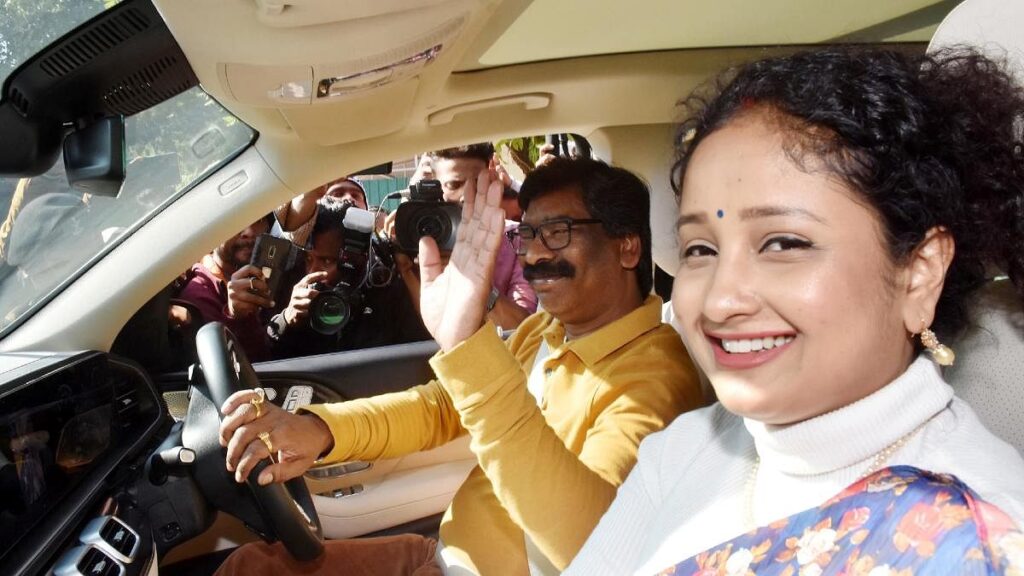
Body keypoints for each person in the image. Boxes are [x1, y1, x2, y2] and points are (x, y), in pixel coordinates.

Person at [564, 48, 1024, 575]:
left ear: (918, 273)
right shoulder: (680, 451)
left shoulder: (977, 542)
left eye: (783, 243)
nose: (719, 301)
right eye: (700, 250)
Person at [214, 158, 703, 575]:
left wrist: (468, 343)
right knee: (250, 566)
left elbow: (593, 544)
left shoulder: (656, 379)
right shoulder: (545, 331)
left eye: (557, 233)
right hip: (443, 555)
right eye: (528, 234)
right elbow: (442, 409)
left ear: (627, 246)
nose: (532, 253)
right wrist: (318, 430)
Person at [228, 199, 431, 359]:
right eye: (308, 259)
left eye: (326, 260)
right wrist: (287, 320)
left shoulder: (385, 290)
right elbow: (263, 360)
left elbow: (422, 344)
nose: (313, 270)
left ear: (359, 256)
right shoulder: (288, 289)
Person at [395, 144, 537, 330]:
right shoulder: (417, 242)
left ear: (491, 178)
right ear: (436, 187)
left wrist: (479, 289)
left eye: (477, 183)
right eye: (454, 185)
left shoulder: (516, 238)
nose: (466, 194)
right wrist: (407, 272)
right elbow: (428, 330)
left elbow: (524, 330)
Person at [177, 215, 274, 362]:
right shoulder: (197, 296)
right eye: (235, 220)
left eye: (258, 219)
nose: (249, 231)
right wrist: (237, 317)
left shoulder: (272, 272)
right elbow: (232, 369)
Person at [273, 177, 368, 249]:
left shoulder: (377, 249)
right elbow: (293, 224)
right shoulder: (309, 236)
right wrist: (315, 188)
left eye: (356, 195)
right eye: (338, 194)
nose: (349, 198)